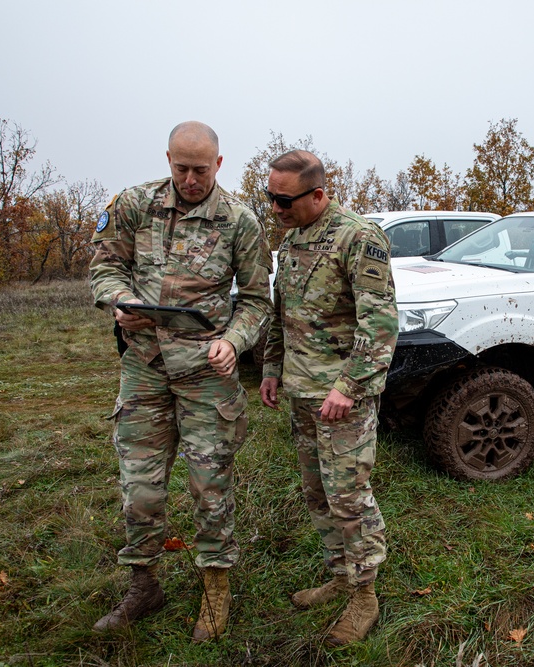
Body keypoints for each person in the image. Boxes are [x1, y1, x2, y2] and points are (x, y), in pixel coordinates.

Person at [88, 121, 272, 641]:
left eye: (200, 169)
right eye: (181, 168)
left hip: (205, 375)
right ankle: (143, 584)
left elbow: (258, 300)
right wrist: (119, 301)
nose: (190, 179)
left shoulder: (239, 220)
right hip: (143, 367)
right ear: (167, 159)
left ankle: (216, 589)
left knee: (210, 487)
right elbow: (104, 265)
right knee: (139, 488)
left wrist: (234, 341)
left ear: (219, 164)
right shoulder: (133, 204)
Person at [259, 150, 398, 646]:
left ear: (317, 194)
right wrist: (273, 368)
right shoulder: (292, 238)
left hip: (342, 398)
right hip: (300, 391)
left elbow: (379, 325)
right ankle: (339, 574)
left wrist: (348, 387)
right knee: (317, 491)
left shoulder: (359, 238)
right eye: (270, 197)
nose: (275, 207)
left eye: (283, 199)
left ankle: (364, 595)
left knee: (348, 497)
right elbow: (282, 314)